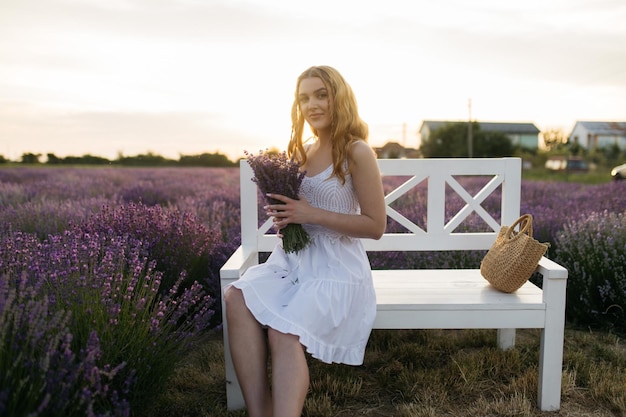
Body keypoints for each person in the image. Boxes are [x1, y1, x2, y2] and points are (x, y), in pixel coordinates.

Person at [223, 65, 386, 417]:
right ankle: (259, 411)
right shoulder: (302, 152)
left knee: (284, 331)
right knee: (235, 297)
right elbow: (295, 216)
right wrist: (286, 219)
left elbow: (375, 226)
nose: (312, 104)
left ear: (339, 98)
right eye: (304, 98)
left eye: (321, 95)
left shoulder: (356, 151)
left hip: (337, 269)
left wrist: (310, 214)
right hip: (294, 261)